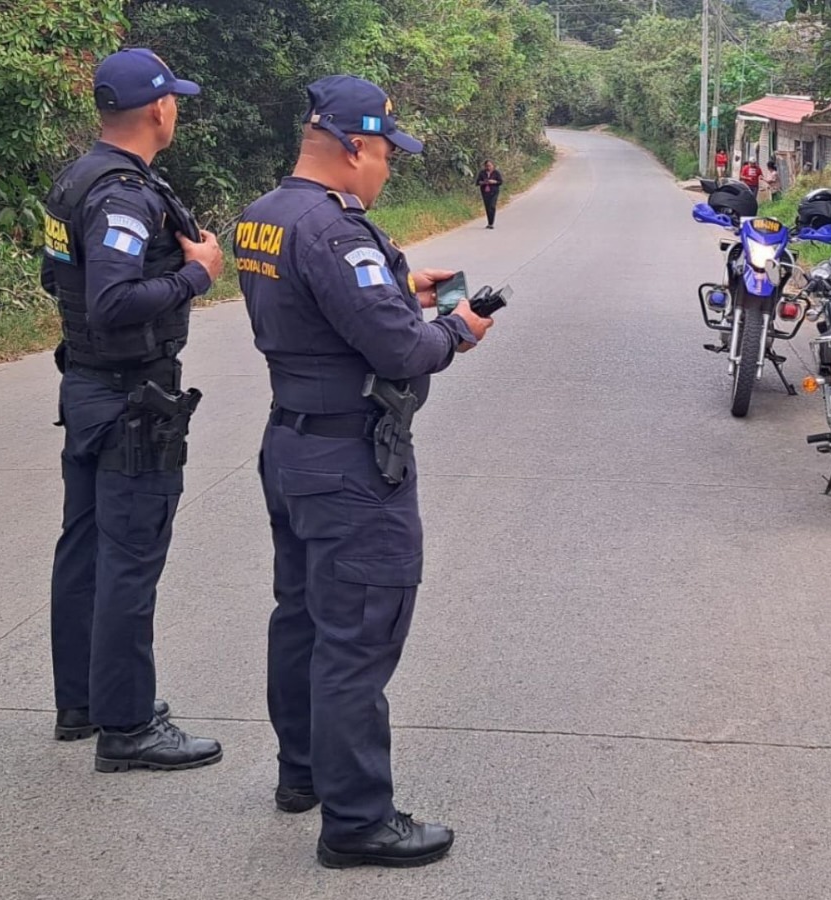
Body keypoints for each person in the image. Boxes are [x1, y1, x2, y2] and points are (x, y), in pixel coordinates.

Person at [235, 74, 493, 869]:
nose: (388, 170)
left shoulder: (264, 217)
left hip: (290, 444)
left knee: (303, 616)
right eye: (386, 154)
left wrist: (398, 289)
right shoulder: (338, 234)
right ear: (353, 146)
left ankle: (302, 774)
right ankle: (357, 821)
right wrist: (458, 327)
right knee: (359, 633)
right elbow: (402, 349)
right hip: (349, 459)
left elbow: (331, 309)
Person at [41, 48, 225, 771]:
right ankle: (127, 727)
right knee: (130, 558)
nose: (176, 107)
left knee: (84, 549)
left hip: (87, 388)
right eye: (174, 98)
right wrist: (195, 275)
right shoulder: (122, 194)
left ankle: (83, 701)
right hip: (127, 399)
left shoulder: (77, 178)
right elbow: (114, 302)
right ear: (158, 108)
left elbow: (61, 280)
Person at [475, 159, 503, 229]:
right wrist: (483, 182)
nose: (488, 167)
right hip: (485, 192)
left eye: (490, 166)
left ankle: (491, 223)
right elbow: (477, 182)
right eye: (487, 166)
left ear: (493, 166)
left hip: (494, 192)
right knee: (487, 207)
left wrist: (494, 182)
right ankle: (489, 223)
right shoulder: (482, 173)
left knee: (492, 206)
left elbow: (500, 182)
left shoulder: (496, 173)